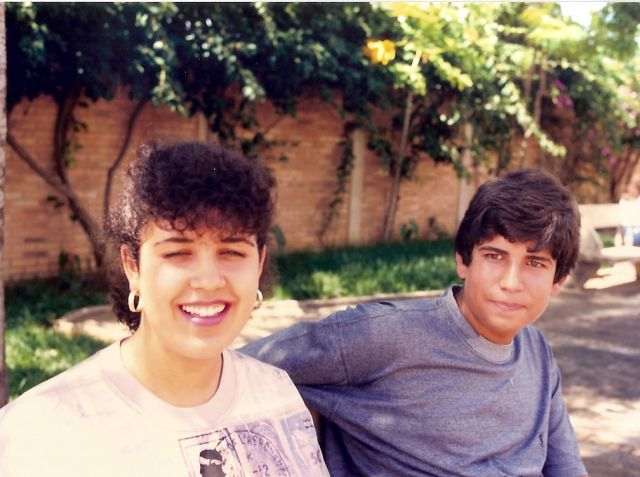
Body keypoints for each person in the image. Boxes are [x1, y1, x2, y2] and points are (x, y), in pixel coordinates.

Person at [0, 141, 329, 477]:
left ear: (258, 262)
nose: (208, 280)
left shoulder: (276, 393)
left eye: (232, 252)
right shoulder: (41, 432)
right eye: (177, 253)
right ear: (132, 266)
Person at [241, 169, 588, 477]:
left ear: (558, 281)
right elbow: (237, 367)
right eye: (494, 256)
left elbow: (567, 468)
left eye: (535, 263)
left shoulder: (537, 354)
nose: (511, 282)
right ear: (463, 261)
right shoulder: (384, 335)